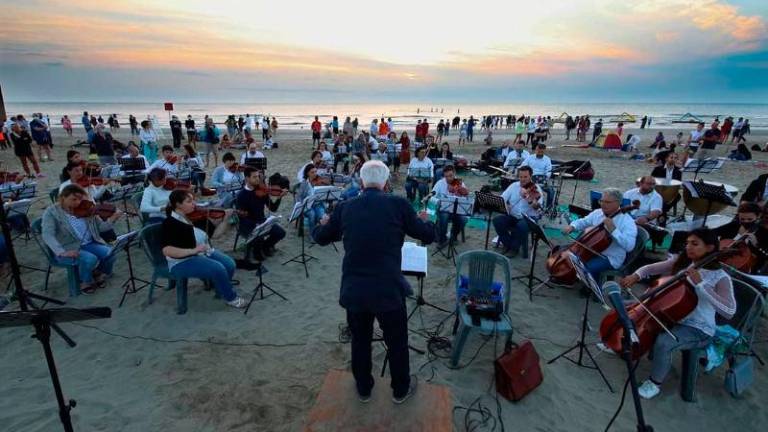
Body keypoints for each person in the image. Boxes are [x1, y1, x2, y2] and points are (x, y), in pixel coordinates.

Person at [312, 160, 434, 404]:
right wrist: (426, 219)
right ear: (386, 183)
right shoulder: (398, 204)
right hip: (388, 289)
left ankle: (364, 388)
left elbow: (322, 239)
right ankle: (400, 391)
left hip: (355, 289)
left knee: (360, 340)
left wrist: (322, 224)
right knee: (397, 342)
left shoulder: (346, 207)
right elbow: (428, 235)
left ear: (361, 181)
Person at [619, 228, 735, 399]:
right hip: (673, 316)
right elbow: (651, 268)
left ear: (710, 248)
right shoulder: (685, 263)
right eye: (688, 243)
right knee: (625, 307)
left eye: (695, 244)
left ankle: (654, 383)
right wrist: (636, 275)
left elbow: (729, 312)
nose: (689, 247)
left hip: (698, 328)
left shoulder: (721, 277)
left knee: (664, 342)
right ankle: (618, 343)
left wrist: (701, 285)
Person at [160, 189, 246, 309]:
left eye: (193, 200)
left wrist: (225, 219)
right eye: (189, 201)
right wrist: (193, 251)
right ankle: (231, 298)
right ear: (178, 204)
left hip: (203, 252)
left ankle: (220, 289)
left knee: (230, 264)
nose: (194, 204)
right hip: (181, 261)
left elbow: (215, 235)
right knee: (219, 268)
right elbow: (167, 250)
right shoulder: (170, 223)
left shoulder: (196, 216)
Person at [41, 184, 121, 295]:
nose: (78, 202)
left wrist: (112, 218)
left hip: (90, 243)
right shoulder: (51, 212)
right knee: (90, 259)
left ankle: (97, 272)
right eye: (73, 199)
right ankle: (85, 282)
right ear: (63, 197)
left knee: (110, 253)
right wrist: (61, 252)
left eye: (80, 199)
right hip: (68, 247)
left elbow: (102, 228)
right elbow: (47, 234)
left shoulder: (86, 207)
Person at [561, 188, 637, 281]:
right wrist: (572, 226)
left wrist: (613, 230)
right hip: (590, 250)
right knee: (562, 253)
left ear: (618, 203)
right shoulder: (598, 213)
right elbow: (584, 221)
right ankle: (568, 278)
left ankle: (594, 289)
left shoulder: (628, 222)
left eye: (607, 202)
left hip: (610, 257)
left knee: (587, 268)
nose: (603, 204)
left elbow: (629, 246)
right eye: (601, 201)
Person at [236, 167, 286, 263]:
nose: (258, 179)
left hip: (262, 221)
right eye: (254, 177)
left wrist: (279, 197)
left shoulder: (262, 190)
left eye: (258, 176)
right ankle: (256, 250)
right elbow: (241, 217)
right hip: (247, 224)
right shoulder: (241, 195)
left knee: (280, 232)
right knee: (258, 245)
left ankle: (266, 246)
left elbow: (273, 208)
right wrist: (255, 225)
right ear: (247, 178)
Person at [493, 166, 543, 258]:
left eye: (525, 177)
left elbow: (538, 209)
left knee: (521, 225)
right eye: (520, 177)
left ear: (530, 176)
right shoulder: (513, 186)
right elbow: (502, 198)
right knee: (497, 221)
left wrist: (528, 197)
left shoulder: (535, 188)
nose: (522, 179)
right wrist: (507, 205)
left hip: (528, 218)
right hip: (513, 215)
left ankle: (514, 249)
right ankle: (508, 244)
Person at [713, 202, 768, 272]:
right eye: (742, 219)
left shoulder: (763, 233)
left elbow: (766, 256)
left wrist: (756, 244)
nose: (746, 221)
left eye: (750, 219)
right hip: (721, 261)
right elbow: (713, 233)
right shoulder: (734, 225)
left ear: (757, 217)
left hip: (744, 270)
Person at [431, 165, 469, 248]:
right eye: (446, 176)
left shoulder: (460, 183)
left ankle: (453, 236)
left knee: (463, 219)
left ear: (454, 174)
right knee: (444, 216)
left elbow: (466, 199)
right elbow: (432, 196)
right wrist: (439, 201)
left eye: (451, 176)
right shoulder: (440, 183)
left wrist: (461, 193)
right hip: (444, 210)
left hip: (457, 211)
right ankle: (442, 239)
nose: (448, 178)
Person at [520, 144, 553, 208]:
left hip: (542, 180)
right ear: (536, 150)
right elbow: (523, 166)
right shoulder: (530, 157)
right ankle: (530, 205)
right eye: (538, 151)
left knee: (551, 191)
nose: (540, 153)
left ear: (544, 151)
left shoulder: (547, 159)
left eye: (542, 151)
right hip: (530, 180)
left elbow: (549, 172)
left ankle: (548, 208)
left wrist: (545, 179)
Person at [296, 164, 327, 230]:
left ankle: (320, 232)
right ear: (307, 173)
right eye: (312, 172)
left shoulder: (319, 180)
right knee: (312, 214)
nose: (315, 174)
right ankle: (312, 234)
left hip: (317, 204)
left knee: (322, 215)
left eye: (316, 172)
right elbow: (299, 197)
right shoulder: (304, 183)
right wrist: (301, 204)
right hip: (307, 206)